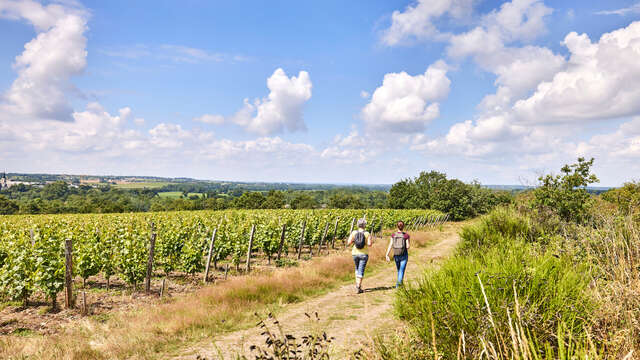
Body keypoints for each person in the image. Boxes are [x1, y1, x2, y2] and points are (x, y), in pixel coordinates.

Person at [347, 218, 372, 294]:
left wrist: (354, 241)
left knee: (357, 269)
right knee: (361, 270)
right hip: (364, 254)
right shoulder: (367, 233)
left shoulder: (354, 232)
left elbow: (348, 243)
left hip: (355, 253)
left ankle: (358, 285)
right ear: (365, 225)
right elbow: (369, 244)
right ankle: (358, 286)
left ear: (358, 224)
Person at [385, 220, 410, 288]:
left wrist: (387, 254)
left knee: (399, 270)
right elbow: (408, 246)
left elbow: (390, 244)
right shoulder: (406, 235)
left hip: (396, 255)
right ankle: (398, 286)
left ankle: (400, 285)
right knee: (401, 271)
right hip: (403, 255)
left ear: (397, 226)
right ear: (403, 226)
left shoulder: (393, 235)